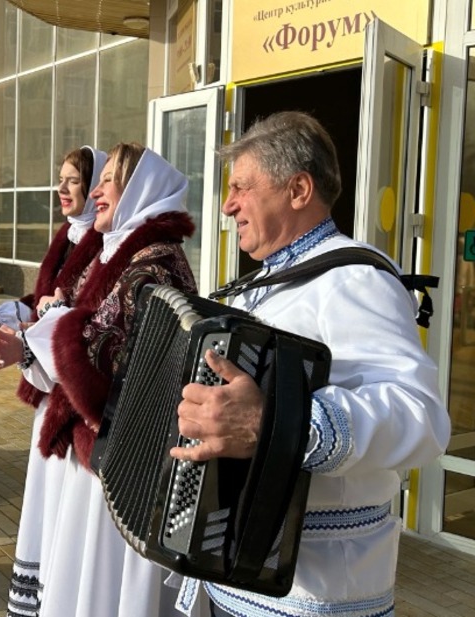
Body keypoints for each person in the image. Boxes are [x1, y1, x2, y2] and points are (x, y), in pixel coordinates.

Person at [170, 111, 450, 617]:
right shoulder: (264, 285)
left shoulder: (355, 280)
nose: (228, 205)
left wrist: (271, 423)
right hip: (238, 578)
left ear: (298, 190)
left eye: (241, 187)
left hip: (314, 594)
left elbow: (422, 417)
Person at [0, 143, 199, 617]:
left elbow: (105, 362)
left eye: (109, 180)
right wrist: (37, 338)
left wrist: (48, 330)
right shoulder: (124, 254)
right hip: (101, 451)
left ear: (139, 190)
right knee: (83, 581)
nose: (97, 191)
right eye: (98, 179)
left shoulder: (152, 264)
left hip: (123, 462)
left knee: (102, 585)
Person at [0, 146, 107, 617]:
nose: (60, 189)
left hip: (76, 394)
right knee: (46, 493)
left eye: (72, 181)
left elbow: (82, 320)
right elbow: (42, 299)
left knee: (66, 500)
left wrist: (39, 328)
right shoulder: (68, 235)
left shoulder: (106, 243)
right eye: (60, 179)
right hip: (50, 383)